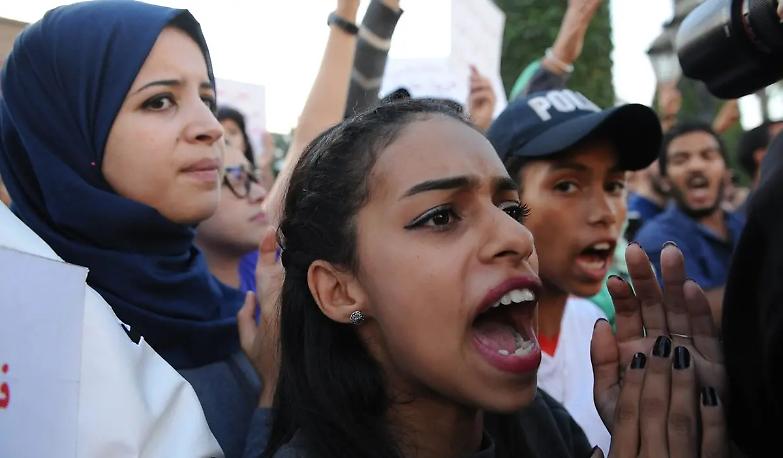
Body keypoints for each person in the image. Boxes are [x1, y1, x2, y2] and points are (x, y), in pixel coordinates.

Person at [259, 98, 727, 458]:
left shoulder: (544, 428)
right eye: (441, 217)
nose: (518, 237)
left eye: (511, 209)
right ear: (339, 290)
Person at [0, 2, 286, 455]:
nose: (210, 128)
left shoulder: (231, 313)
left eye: (207, 99)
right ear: (67, 133)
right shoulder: (23, 331)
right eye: (160, 101)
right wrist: (272, 395)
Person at [486, 88, 662, 452]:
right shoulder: (470, 360)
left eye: (614, 185)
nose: (604, 212)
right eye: (567, 185)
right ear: (504, 206)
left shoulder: (591, 324)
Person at [635, 122, 745, 330]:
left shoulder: (743, 224)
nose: (696, 166)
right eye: (681, 159)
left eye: (708, 155)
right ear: (665, 180)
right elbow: (690, 312)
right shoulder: (657, 238)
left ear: (726, 172)